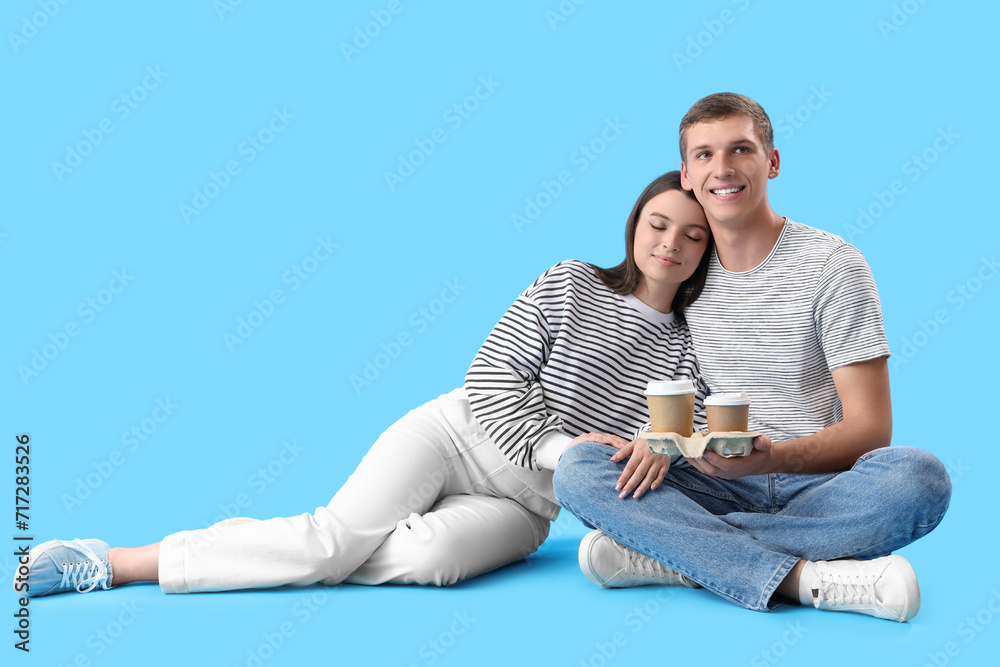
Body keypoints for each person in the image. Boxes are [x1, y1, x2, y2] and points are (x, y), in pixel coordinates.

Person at [20, 171, 716, 597]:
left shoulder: (691, 348)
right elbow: (491, 378)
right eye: (658, 224)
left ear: (706, 251)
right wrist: (561, 448)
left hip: (526, 506)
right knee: (330, 542)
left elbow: (686, 436)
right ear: (635, 226)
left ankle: (273, 545)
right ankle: (114, 560)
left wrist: (670, 446)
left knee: (430, 558)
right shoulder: (570, 280)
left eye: (691, 235)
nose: (670, 243)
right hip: (455, 435)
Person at [553, 93, 952, 623]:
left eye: (740, 149)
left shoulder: (833, 265)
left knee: (919, 478)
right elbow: (663, 379)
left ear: (772, 162)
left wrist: (773, 458)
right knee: (580, 468)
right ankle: (806, 579)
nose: (723, 168)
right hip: (712, 483)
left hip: (822, 486)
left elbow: (872, 429)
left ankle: (676, 556)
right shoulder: (684, 271)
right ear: (686, 174)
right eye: (704, 155)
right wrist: (659, 442)